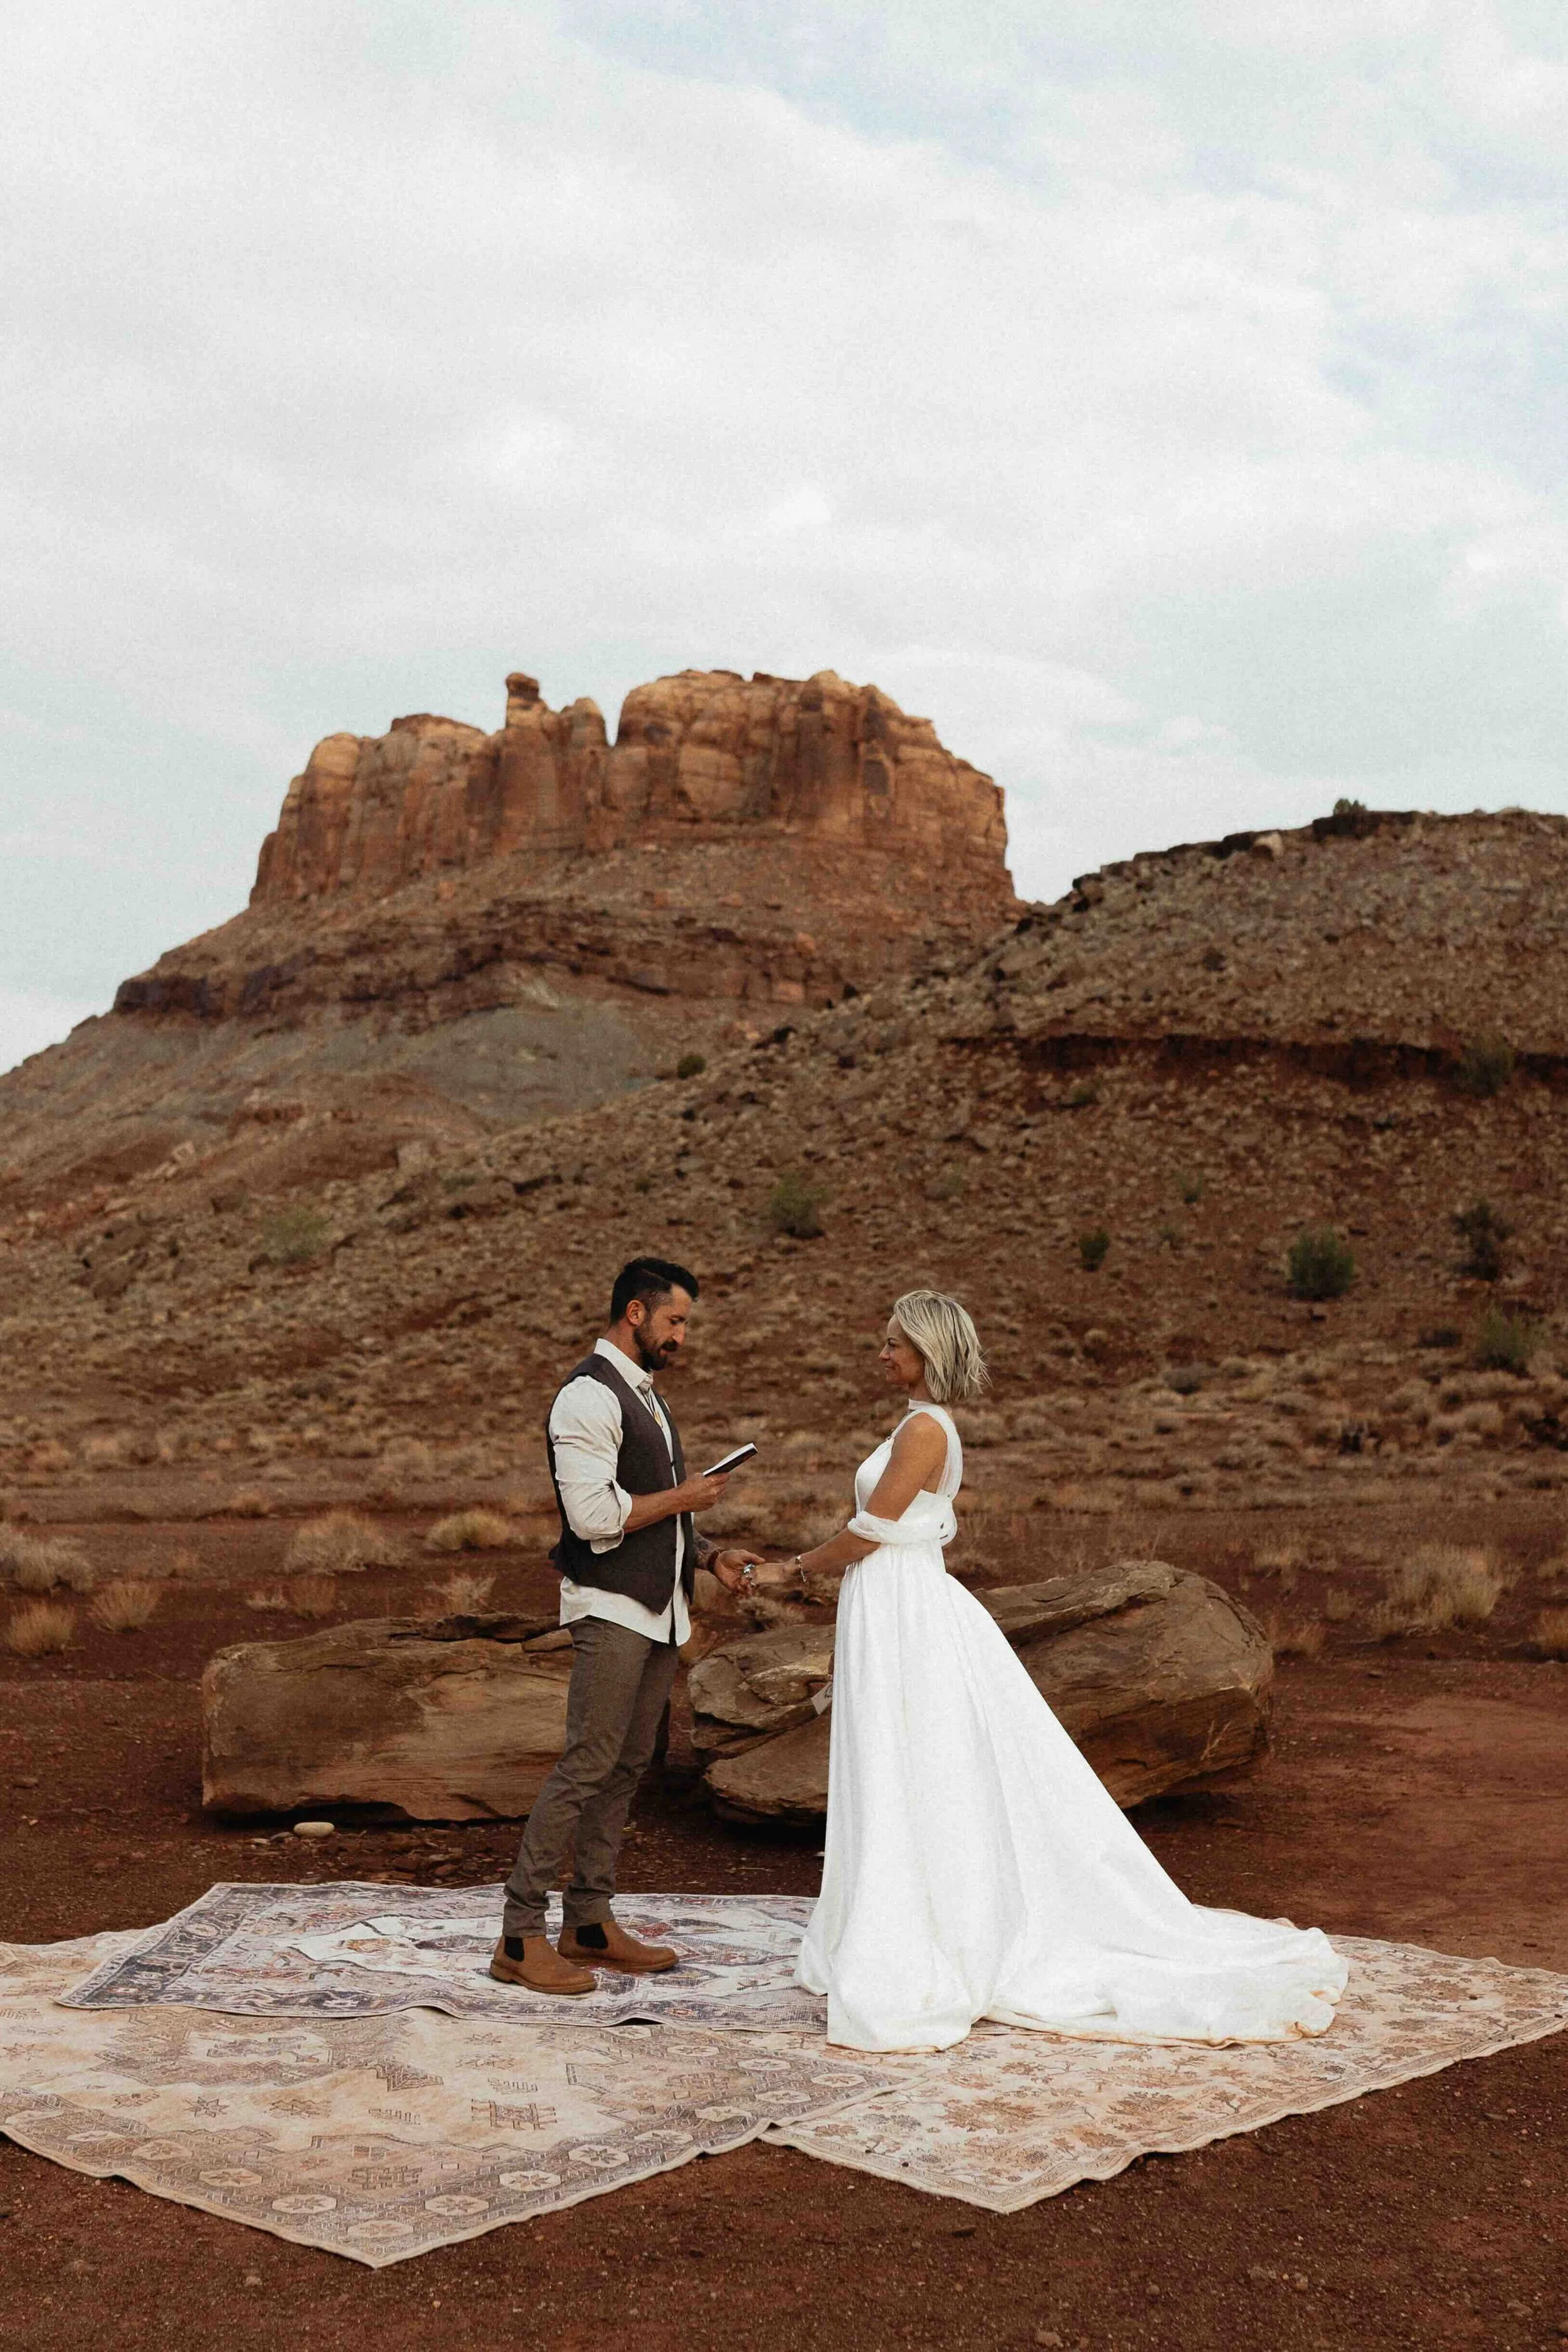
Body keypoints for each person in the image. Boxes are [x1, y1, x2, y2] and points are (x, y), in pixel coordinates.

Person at [751, 1288, 1348, 2053]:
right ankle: (897, 1911)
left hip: (903, 1601)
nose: (882, 1353)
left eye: (893, 1342)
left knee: (913, 1756)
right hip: (887, 1601)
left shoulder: (926, 1429)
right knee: (893, 1755)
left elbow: (874, 1527)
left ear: (926, 1350)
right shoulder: (915, 1423)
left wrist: (787, 1573)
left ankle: (933, 1927)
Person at [493, 1257, 761, 1995]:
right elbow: (593, 1518)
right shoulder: (587, 1396)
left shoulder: (644, 1395)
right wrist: (684, 1497)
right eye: (675, 1322)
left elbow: (651, 1511)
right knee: (588, 1762)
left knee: (624, 1767)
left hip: (657, 1610)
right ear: (636, 1314)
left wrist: (709, 1555)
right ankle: (519, 1936)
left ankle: (588, 1922)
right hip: (610, 1608)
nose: (682, 1337)